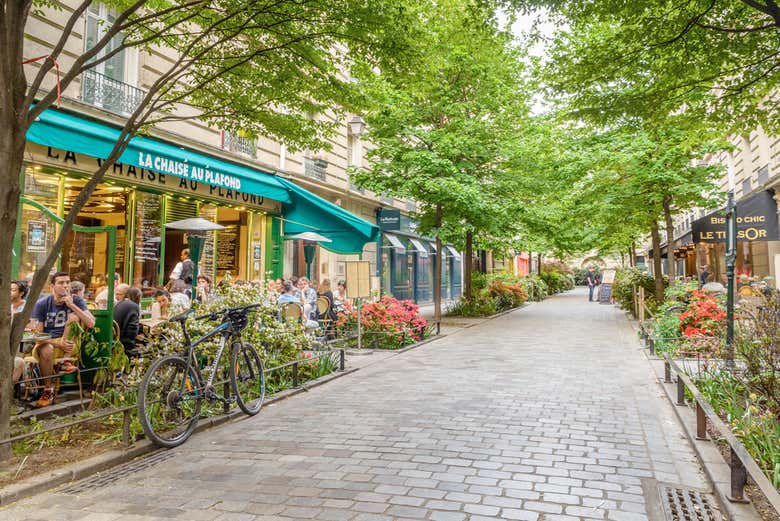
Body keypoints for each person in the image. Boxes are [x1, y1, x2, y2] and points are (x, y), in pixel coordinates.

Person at [29, 272, 96, 408]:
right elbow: (37, 334)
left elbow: (91, 323)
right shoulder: (42, 304)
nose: (65, 286)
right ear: (52, 286)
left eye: (67, 282)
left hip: (70, 347)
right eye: (61, 283)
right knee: (47, 349)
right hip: (48, 343)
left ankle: (66, 361)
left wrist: (72, 306)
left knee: (74, 317)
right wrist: (56, 343)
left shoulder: (76, 300)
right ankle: (48, 390)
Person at [114, 287, 141, 356]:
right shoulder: (134, 306)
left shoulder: (119, 304)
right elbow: (132, 331)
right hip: (124, 343)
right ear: (137, 297)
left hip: (115, 338)